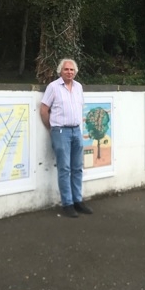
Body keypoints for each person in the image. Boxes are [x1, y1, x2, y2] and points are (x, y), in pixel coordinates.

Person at [40, 58, 93, 218]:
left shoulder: (79, 87)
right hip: (60, 131)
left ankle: (78, 200)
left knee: (77, 167)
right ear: (60, 71)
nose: (69, 72)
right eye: (66, 69)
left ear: (75, 72)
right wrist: (52, 128)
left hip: (76, 131)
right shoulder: (53, 87)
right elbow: (44, 109)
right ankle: (67, 203)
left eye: (71, 70)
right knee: (64, 168)